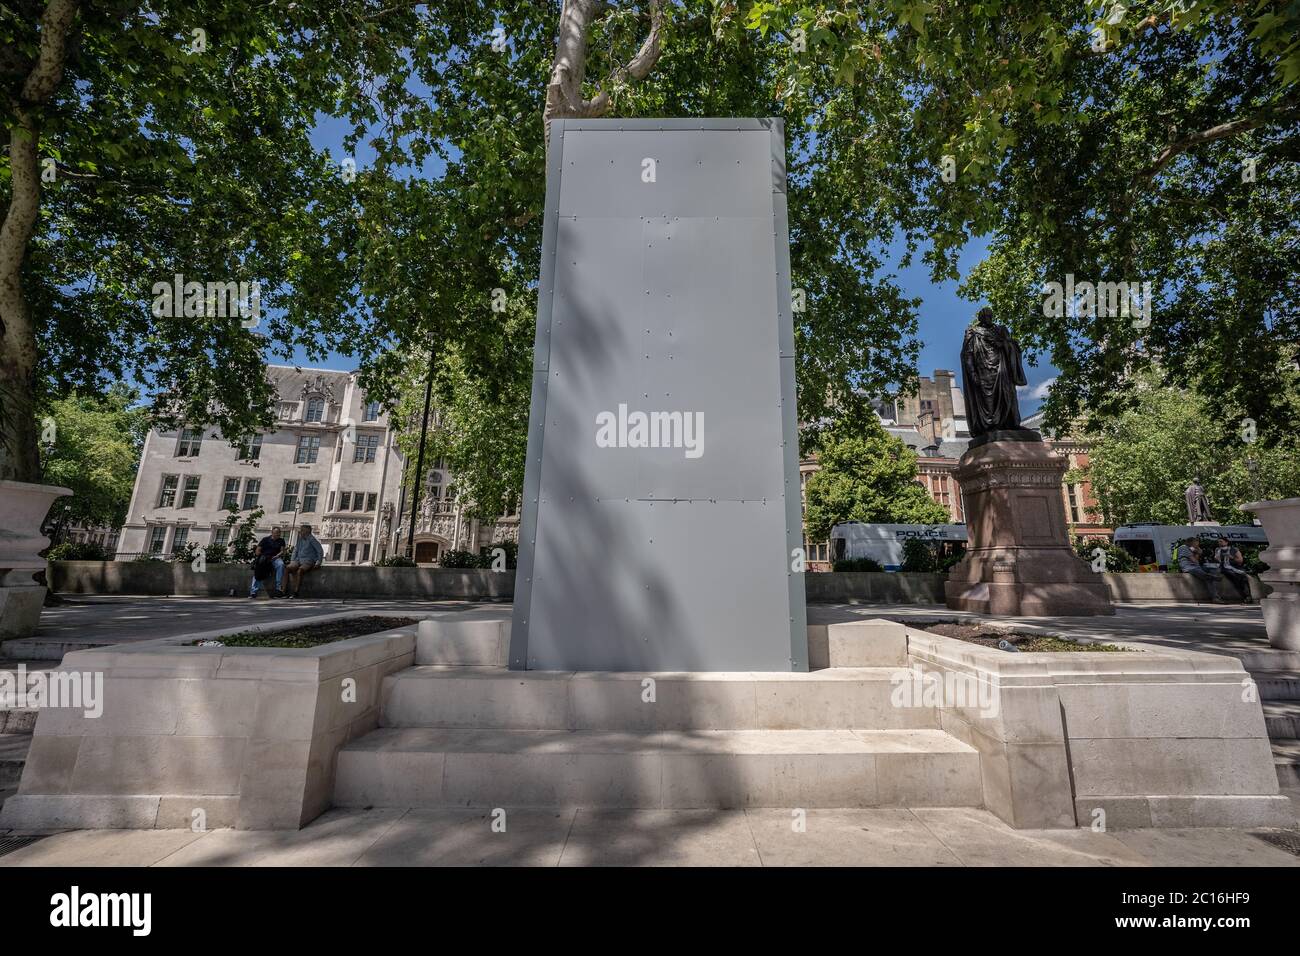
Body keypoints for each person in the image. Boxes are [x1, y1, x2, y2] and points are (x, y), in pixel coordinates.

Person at [1174, 537, 1224, 603]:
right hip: (1189, 568)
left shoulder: (1192, 548)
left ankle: (1212, 577)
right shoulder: (1183, 547)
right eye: (1196, 543)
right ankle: (1214, 583)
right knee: (1207, 577)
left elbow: (1196, 560)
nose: (1197, 545)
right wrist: (1196, 552)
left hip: (1197, 567)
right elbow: (1194, 560)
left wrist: (1197, 552)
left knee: (1211, 569)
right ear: (1191, 542)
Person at [285, 523, 323, 599]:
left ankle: (296, 592)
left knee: (300, 571)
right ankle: (283, 590)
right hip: (298, 559)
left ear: (307, 532)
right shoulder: (300, 540)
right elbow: (295, 550)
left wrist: (318, 562)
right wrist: (292, 560)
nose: (300, 532)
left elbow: (320, 551)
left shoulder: (312, 540)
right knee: (287, 568)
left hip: (308, 560)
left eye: (302, 530)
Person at [249, 526, 288, 598]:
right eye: (276, 533)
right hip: (265, 557)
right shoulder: (265, 540)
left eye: (279, 533)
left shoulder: (281, 540)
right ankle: (253, 591)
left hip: (275, 558)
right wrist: (261, 557)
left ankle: (278, 588)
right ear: (272, 533)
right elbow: (258, 550)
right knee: (258, 570)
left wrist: (277, 556)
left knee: (281, 564)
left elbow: (282, 551)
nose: (278, 535)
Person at [1214, 537, 1252, 603]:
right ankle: (1245, 596)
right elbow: (1218, 560)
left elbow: (1240, 561)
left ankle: (1247, 596)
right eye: (1218, 542)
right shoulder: (1217, 549)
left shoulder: (1234, 549)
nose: (1219, 543)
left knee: (1242, 577)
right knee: (1234, 576)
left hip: (1235, 566)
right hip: (1224, 567)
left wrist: (1231, 557)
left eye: (1221, 541)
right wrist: (1217, 558)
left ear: (1226, 542)